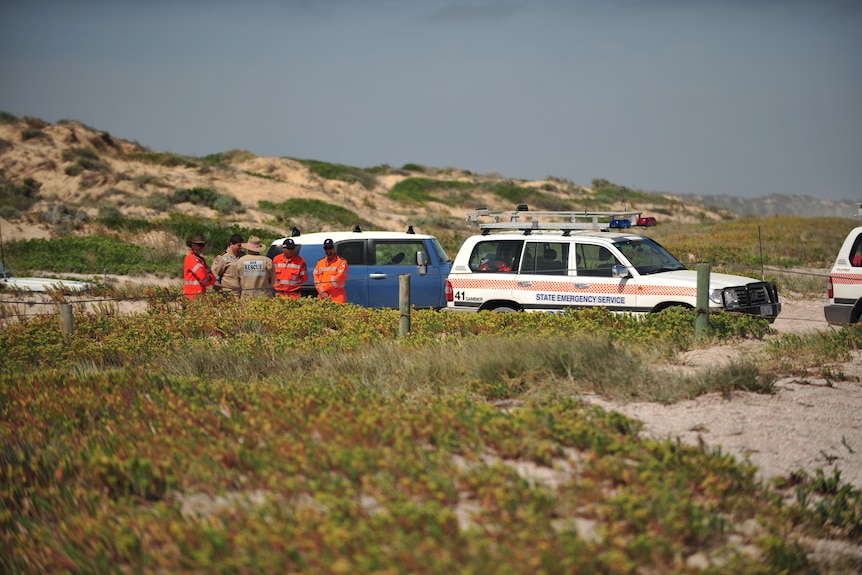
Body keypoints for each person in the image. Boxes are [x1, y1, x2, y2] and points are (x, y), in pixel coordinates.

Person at [313, 238, 349, 303]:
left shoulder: (341, 262)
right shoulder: (320, 263)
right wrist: (321, 292)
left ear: (334, 248)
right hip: (322, 298)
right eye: (326, 248)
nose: (328, 251)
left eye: (330, 248)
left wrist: (323, 289)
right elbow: (316, 278)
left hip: (337, 298)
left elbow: (339, 280)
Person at [183, 235, 216, 300]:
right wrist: (209, 278)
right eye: (199, 245)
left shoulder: (201, 260)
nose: (201, 247)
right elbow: (203, 277)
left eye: (202, 245)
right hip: (192, 296)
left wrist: (209, 278)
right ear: (192, 245)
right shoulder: (190, 258)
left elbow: (213, 278)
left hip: (200, 295)